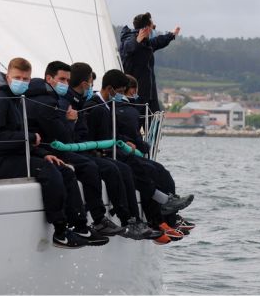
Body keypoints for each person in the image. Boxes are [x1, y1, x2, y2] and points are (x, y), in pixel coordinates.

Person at [0, 57, 106, 248]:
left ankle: (80, 226)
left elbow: (19, 139)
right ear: (8, 78)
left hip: (13, 155)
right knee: (49, 171)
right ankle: (60, 230)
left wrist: (43, 153)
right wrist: (29, 137)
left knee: (64, 169)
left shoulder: (16, 101)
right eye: (17, 78)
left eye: (25, 79)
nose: (22, 82)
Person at [79, 69, 193, 244]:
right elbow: (93, 136)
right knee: (129, 170)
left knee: (157, 169)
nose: (121, 95)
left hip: (114, 148)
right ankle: (141, 217)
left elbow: (113, 132)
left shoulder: (108, 106)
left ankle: (167, 211)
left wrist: (125, 141)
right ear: (110, 89)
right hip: (102, 152)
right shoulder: (94, 107)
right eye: (119, 91)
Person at [24, 60, 131, 238]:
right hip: (51, 151)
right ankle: (97, 220)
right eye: (62, 79)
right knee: (92, 167)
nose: (65, 84)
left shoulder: (58, 100)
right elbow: (63, 137)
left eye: (67, 80)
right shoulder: (54, 102)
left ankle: (114, 220)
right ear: (49, 79)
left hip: (58, 149)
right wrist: (71, 121)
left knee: (112, 167)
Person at [119, 12, 180, 113]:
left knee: (155, 117)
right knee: (138, 118)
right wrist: (136, 41)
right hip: (136, 93)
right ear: (147, 28)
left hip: (149, 92)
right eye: (152, 27)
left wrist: (171, 35)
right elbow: (126, 49)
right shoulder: (130, 39)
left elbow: (158, 41)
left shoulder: (146, 43)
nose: (153, 30)